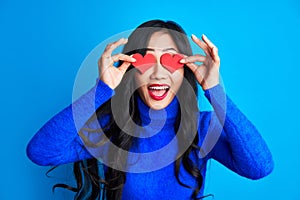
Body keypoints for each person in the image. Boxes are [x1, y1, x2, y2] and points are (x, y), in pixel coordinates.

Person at [26, 20, 274, 200]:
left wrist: (215, 90)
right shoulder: (112, 127)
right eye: (146, 60)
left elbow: (259, 168)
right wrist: (101, 90)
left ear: (186, 70)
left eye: (170, 60)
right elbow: (41, 152)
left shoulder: (202, 127)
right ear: (131, 71)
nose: (158, 73)